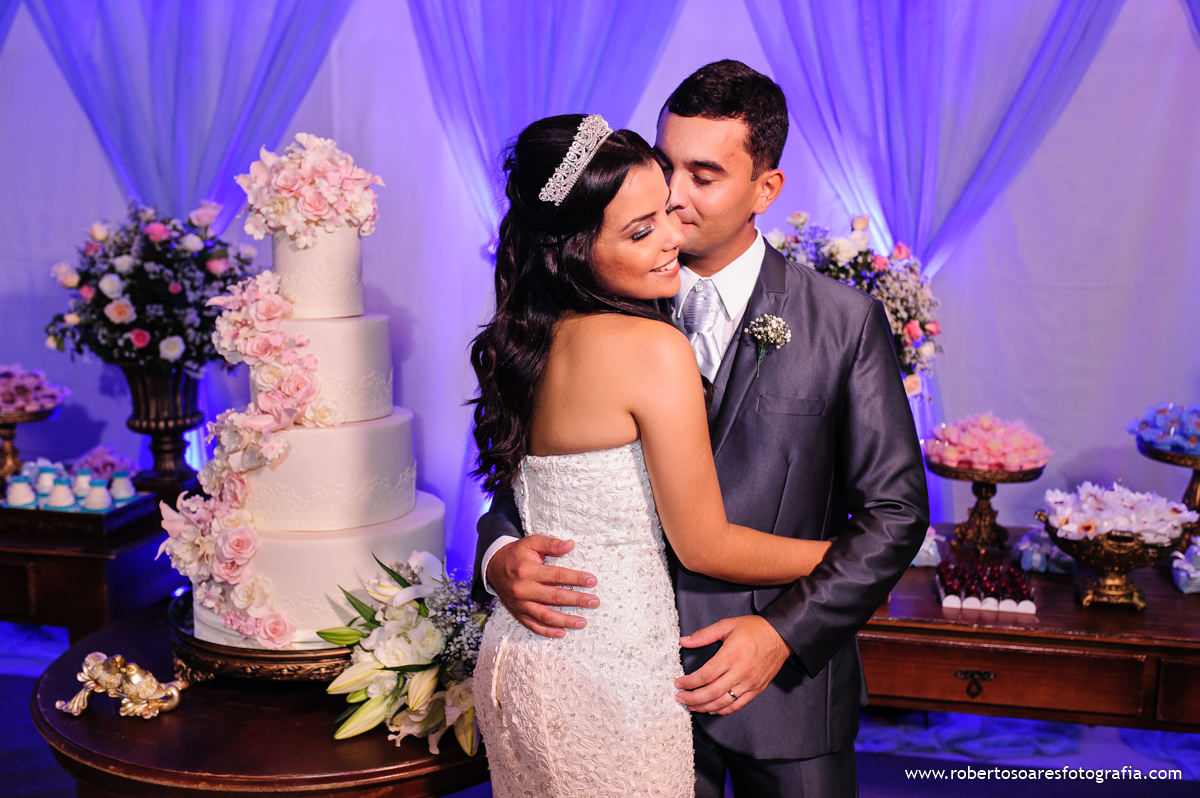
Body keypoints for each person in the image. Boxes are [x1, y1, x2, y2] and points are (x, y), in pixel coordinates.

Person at [477, 61, 929, 797]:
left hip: (781, 702)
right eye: (666, 166)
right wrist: (500, 555)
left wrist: (784, 631)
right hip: (615, 685)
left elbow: (896, 514)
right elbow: (536, 481)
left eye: (705, 174)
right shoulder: (607, 288)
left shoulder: (842, 323)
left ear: (766, 189)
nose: (676, 200)